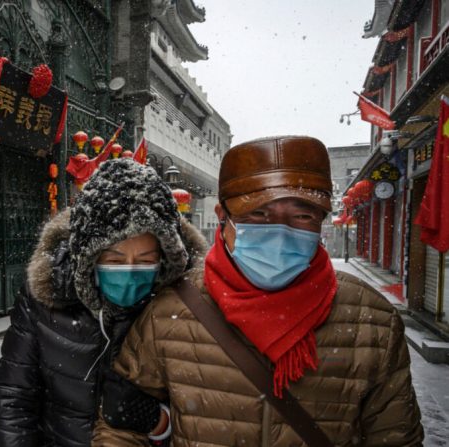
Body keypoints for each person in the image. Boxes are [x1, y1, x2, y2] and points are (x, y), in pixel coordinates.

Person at [93, 136, 424, 446]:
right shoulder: (170, 312)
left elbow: (395, 437)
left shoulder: (373, 323)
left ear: (322, 221)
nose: (279, 231)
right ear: (224, 217)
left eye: (302, 215)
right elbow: (120, 427)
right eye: (259, 213)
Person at [0, 158, 208, 446]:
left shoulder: (187, 307)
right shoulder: (45, 297)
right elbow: (14, 398)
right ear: (89, 257)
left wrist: (160, 422)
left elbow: (213, 415)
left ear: (164, 258)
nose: (129, 271)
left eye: (145, 260)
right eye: (115, 259)